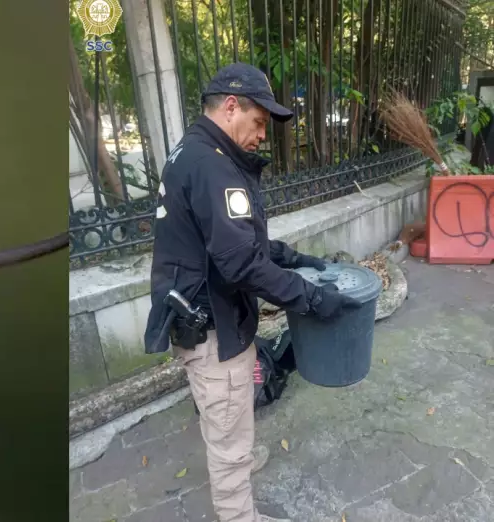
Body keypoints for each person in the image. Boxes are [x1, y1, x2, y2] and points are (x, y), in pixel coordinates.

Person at [143, 62, 362, 522]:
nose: (263, 135)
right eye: (259, 122)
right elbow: (240, 263)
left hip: (209, 315)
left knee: (229, 415)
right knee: (226, 429)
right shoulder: (212, 165)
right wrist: (314, 298)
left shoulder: (195, 150)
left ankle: (237, 459)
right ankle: (238, 507)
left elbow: (236, 241)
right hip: (213, 329)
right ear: (229, 107)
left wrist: (293, 257)